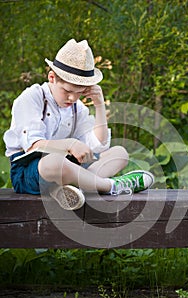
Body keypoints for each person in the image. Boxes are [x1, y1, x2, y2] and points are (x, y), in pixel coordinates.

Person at [3, 39, 154, 210]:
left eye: (79, 93)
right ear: (52, 77)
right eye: (67, 91)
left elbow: (98, 144)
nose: (73, 98)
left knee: (120, 153)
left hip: (69, 167)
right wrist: (70, 144)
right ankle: (111, 186)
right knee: (53, 162)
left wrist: (99, 105)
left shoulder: (77, 108)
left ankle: (68, 189)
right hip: (30, 171)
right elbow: (32, 146)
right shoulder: (32, 97)